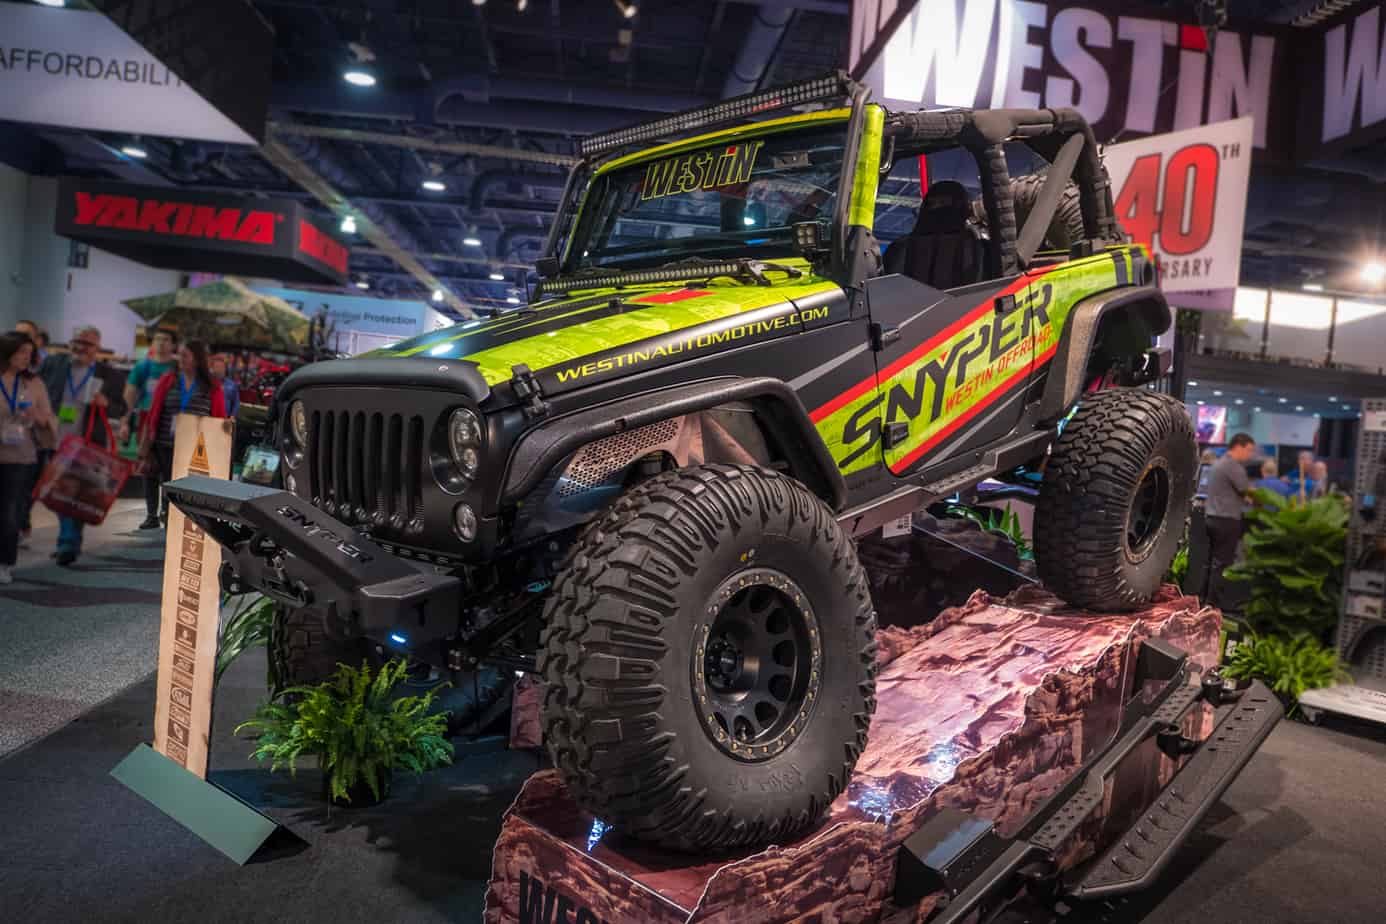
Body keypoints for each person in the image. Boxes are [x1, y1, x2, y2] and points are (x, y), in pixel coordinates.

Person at [38, 326, 116, 566]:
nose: (80, 347)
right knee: (57, 492)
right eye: (76, 341)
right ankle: (69, 540)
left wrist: (106, 403)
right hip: (53, 439)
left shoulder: (109, 373)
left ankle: (68, 543)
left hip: (87, 444)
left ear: (97, 348)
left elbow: (121, 407)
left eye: (87, 343)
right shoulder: (53, 364)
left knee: (75, 493)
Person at [138, 339, 228, 523]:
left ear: (197, 359)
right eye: (179, 355)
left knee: (179, 483)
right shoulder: (168, 380)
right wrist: (147, 441)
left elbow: (218, 417)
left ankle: (170, 516)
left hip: (192, 447)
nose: (180, 359)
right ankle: (154, 515)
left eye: (185, 355)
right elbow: (154, 410)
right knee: (157, 477)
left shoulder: (211, 385)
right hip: (163, 442)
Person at [0, 332, 55, 584]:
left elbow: (48, 419)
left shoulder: (34, 383)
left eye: (29, 353)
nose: (26, 358)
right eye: (21, 351)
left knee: (10, 512)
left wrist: (37, 417)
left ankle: (5, 562)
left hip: (20, 456)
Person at [121, 328, 177, 530]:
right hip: (146, 423)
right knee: (149, 468)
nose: (161, 343)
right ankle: (151, 515)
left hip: (170, 423)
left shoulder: (178, 367)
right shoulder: (143, 367)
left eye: (166, 339)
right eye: (158, 339)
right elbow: (130, 394)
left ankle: (169, 513)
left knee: (172, 472)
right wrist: (126, 421)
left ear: (173, 345)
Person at [1202, 433, 1258, 607]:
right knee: (1222, 564)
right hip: (1226, 520)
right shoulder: (1233, 466)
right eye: (1249, 450)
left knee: (1211, 562)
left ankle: (1204, 599)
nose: (1250, 455)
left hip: (1211, 517)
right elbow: (1248, 492)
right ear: (1238, 446)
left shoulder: (1218, 464)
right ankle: (1214, 604)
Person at [210, 354, 241, 418]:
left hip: (226, 419)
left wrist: (232, 416)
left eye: (222, 367)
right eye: (217, 367)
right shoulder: (208, 383)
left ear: (225, 368)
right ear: (212, 369)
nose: (220, 369)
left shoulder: (232, 385)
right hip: (210, 417)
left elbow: (236, 403)